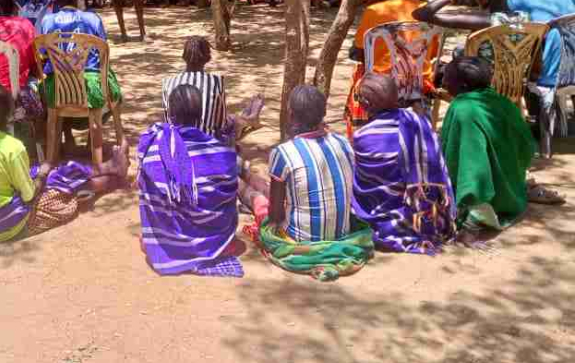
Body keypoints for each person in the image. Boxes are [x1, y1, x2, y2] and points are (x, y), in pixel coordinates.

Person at [0, 85, 129, 241]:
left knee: (50, 173)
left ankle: (110, 168)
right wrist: (43, 173)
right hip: (2, 225)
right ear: (9, 114)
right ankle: (112, 179)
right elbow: (29, 196)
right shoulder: (13, 148)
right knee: (60, 185)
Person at [243, 85, 374, 281]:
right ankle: (244, 172)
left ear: (291, 115)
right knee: (267, 187)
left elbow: (276, 215)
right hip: (341, 233)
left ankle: (242, 174)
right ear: (324, 112)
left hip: (299, 238)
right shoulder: (343, 143)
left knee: (255, 196)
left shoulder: (283, 152)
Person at [138, 84, 261, 277]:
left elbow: (144, 188)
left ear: (170, 113)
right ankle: (205, 248)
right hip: (212, 241)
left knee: (144, 238)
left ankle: (170, 245)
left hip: (168, 243)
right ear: (200, 115)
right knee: (237, 244)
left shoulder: (152, 145)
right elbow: (229, 197)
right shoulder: (221, 152)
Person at [439, 57, 563, 234]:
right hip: (512, 192)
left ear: (463, 86)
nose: (443, 82)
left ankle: (476, 210)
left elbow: (464, 160)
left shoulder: (462, 108)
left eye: (447, 78)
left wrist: (465, 199)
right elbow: (526, 146)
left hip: (482, 197)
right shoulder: (502, 101)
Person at [351, 74, 457, 253]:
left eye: (359, 98)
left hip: (390, 223)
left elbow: (367, 185)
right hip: (433, 217)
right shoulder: (420, 121)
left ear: (365, 104)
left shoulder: (364, 137)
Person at [346, 0, 435, 132]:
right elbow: (431, 53)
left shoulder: (375, 10)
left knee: (358, 67)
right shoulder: (429, 11)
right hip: (418, 84)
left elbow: (361, 53)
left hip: (382, 86)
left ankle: (360, 125)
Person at [37, 0, 123, 149]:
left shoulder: (47, 21)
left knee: (48, 84)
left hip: (56, 92)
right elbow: (103, 53)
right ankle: (95, 142)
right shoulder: (92, 18)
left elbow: (43, 54)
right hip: (90, 91)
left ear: (55, 0)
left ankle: (54, 154)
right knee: (112, 87)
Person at [161, 36, 227, 135]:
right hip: (206, 139)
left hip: (176, 139)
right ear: (207, 58)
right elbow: (221, 123)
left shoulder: (167, 82)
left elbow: (167, 120)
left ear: (184, 57)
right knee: (234, 121)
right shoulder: (216, 81)